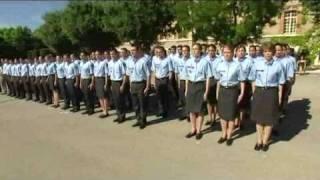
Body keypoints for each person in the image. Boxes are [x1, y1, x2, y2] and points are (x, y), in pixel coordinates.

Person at [249, 42, 285, 151]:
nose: (267, 53)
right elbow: (253, 79)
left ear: (273, 52)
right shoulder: (257, 64)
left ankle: (265, 142)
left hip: (271, 92)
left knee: (269, 119)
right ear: (263, 53)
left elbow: (281, 83)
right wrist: (254, 93)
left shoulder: (278, 65)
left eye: (269, 51)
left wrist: (279, 97)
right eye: (265, 51)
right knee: (259, 119)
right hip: (259, 92)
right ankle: (259, 140)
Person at [216, 44, 245, 146]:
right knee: (223, 115)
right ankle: (223, 134)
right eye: (225, 52)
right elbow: (219, 80)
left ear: (233, 53)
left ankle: (229, 135)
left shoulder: (237, 65)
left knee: (231, 115)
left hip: (233, 91)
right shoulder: (220, 65)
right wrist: (217, 93)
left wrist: (241, 93)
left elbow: (242, 80)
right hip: (223, 91)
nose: (227, 54)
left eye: (229, 52)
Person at [185, 43, 213, 140]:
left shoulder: (205, 62)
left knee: (200, 110)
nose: (195, 51)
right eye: (193, 49)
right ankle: (193, 129)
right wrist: (186, 89)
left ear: (200, 50)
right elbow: (187, 77)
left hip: (200, 86)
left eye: (197, 49)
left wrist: (206, 92)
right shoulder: (188, 61)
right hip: (191, 86)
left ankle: (199, 130)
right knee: (192, 110)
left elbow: (208, 77)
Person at [126, 44, 151, 129]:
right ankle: (138, 119)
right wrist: (130, 86)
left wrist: (147, 87)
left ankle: (143, 121)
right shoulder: (129, 62)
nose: (132, 52)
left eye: (134, 50)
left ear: (138, 51)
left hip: (141, 84)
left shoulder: (143, 61)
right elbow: (129, 75)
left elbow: (148, 75)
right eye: (131, 51)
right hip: (133, 84)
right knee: (135, 104)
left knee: (142, 103)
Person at [151, 45, 173, 118]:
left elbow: (170, 71)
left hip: (164, 79)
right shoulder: (154, 59)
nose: (158, 54)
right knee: (158, 96)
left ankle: (165, 111)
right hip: (157, 79)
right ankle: (161, 110)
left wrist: (169, 82)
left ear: (163, 52)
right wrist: (153, 81)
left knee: (165, 96)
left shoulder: (168, 59)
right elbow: (153, 71)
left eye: (160, 52)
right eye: (157, 52)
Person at [235, 45, 253, 130]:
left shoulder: (249, 62)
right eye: (239, 51)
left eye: (242, 50)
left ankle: (241, 122)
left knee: (242, 104)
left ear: (245, 52)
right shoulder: (233, 61)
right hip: (235, 84)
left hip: (245, 84)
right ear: (236, 52)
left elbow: (252, 74)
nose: (241, 52)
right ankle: (236, 121)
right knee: (235, 103)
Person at [109, 48, 127, 123]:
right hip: (113, 82)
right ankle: (118, 115)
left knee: (120, 100)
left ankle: (122, 116)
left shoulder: (120, 62)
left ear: (117, 54)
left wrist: (122, 85)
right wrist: (110, 84)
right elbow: (110, 74)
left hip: (119, 82)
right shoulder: (110, 62)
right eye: (111, 54)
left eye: (113, 54)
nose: (112, 55)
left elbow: (124, 75)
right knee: (115, 100)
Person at [204, 44, 221, 126]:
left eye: (212, 50)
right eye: (209, 50)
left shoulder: (219, 59)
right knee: (208, 101)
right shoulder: (205, 59)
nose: (211, 52)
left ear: (215, 51)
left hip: (216, 80)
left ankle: (214, 118)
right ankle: (210, 118)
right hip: (207, 81)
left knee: (215, 102)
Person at [174, 45, 191, 121]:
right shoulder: (179, 61)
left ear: (189, 51)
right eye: (183, 51)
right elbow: (177, 72)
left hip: (190, 81)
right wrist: (178, 82)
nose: (184, 52)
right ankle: (185, 113)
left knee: (189, 98)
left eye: (186, 51)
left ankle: (190, 114)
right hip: (181, 81)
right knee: (183, 98)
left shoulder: (192, 60)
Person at [94, 51, 109, 118]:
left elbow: (106, 74)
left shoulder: (104, 63)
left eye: (98, 54)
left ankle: (106, 111)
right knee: (99, 96)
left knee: (104, 96)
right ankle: (103, 110)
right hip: (97, 79)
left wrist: (106, 83)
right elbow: (94, 73)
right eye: (96, 55)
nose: (97, 56)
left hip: (102, 79)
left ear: (101, 55)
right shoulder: (95, 63)